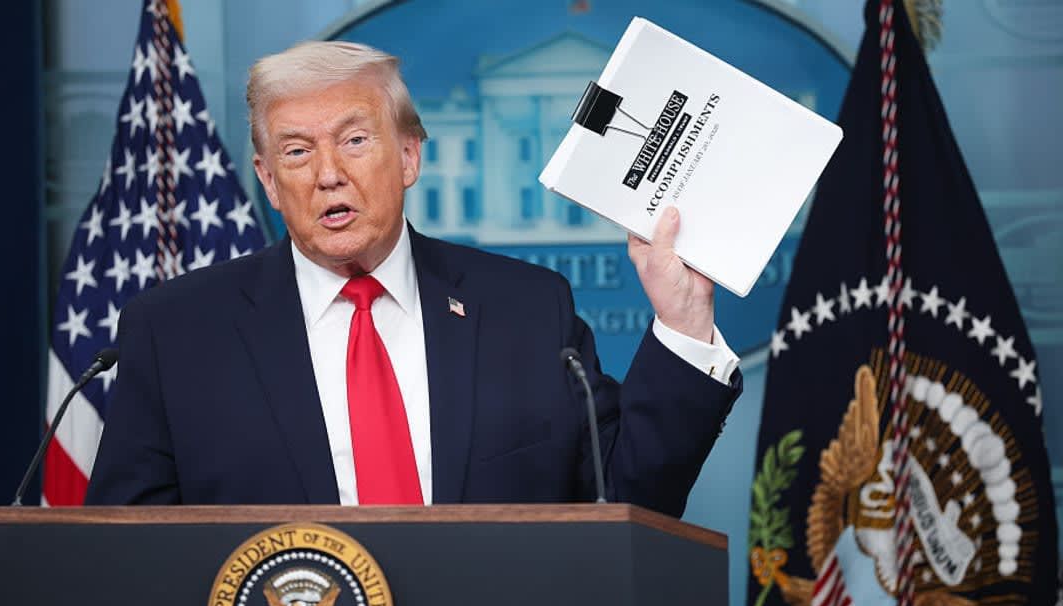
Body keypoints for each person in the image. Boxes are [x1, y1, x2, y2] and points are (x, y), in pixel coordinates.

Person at [85, 41, 742, 516]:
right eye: (295, 151)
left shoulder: (528, 309)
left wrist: (685, 321)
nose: (327, 173)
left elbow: (629, 502)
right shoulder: (177, 332)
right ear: (268, 181)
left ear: (407, 156)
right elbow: (130, 556)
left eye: (355, 140)